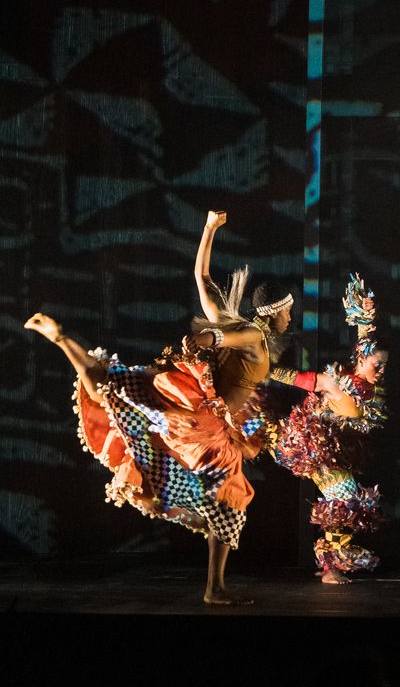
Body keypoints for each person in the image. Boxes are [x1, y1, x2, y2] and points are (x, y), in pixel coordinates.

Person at [22, 209, 289, 604]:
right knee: (231, 498)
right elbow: (218, 339)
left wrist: (209, 228)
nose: (290, 318)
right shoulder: (251, 334)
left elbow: (202, 278)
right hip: (202, 424)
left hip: (186, 407)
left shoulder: (234, 323)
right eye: (287, 311)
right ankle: (214, 586)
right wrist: (203, 342)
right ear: (275, 311)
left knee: (113, 386)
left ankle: (61, 338)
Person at [269, 273, 389, 583]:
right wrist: (269, 371)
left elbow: (366, 341)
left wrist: (366, 314)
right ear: (361, 362)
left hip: (335, 450)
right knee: (345, 499)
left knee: (346, 500)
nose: (381, 369)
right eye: (377, 364)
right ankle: (330, 567)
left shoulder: (365, 383)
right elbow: (306, 380)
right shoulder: (338, 384)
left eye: (383, 365)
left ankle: (331, 563)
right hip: (317, 450)